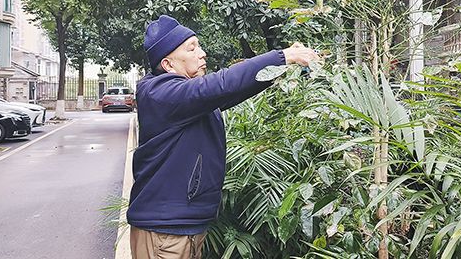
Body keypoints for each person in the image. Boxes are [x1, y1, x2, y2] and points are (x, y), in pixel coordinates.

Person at [128, 15, 319, 259]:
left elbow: (229, 91)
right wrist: (282, 57)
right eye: (192, 48)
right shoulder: (161, 94)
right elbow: (222, 85)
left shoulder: (188, 99)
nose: (203, 53)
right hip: (163, 232)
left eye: (199, 45)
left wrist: (281, 67)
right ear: (168, 65)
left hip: (184, 228)